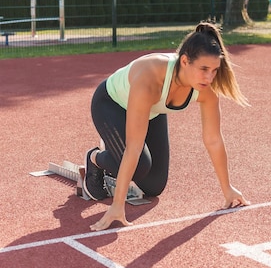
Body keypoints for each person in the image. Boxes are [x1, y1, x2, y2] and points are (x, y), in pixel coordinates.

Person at [84, 21, 251, 231]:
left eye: (215, 70)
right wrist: (118, 205)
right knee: (140, 164)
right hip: (111, 104)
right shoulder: (150, 78)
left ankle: (114, 160)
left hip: (152, 111)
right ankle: (96, 158)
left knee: (154, 186)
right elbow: (134, 147)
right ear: (184, 61)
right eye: (204, 69)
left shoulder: (207, 89)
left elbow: (213, 140)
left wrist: (227, 189)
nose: (209, 77)